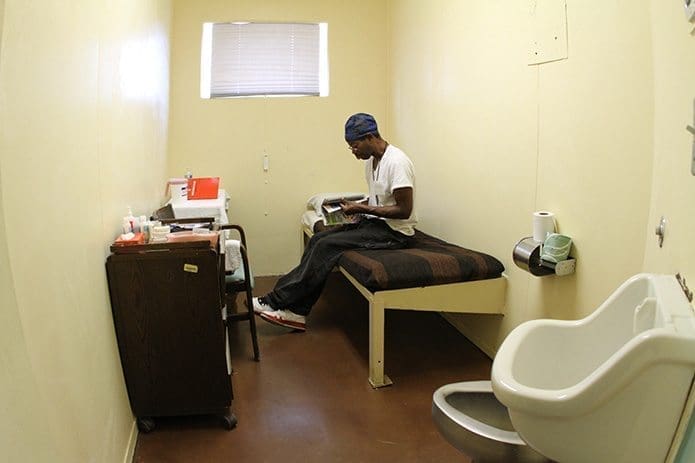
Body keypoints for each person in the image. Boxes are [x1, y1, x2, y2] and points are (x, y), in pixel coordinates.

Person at [253, 113, 417, 331]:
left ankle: (276, 301)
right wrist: (354, 206)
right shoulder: (372, 162)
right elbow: (378, 200)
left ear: (370, 137)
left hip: (395, 233)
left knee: (326, 245)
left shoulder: (397, 162)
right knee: (318, 238)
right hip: (376, 224)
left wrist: (362, 209)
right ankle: (296, 311)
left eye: (355, 146)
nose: (353, 151)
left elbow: (404, 210)